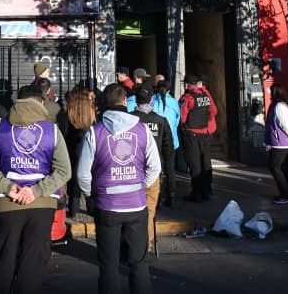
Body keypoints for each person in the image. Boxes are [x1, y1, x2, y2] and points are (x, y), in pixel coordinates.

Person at [0, 84, 71, 294]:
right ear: (41, 103)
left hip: (7, 203)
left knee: (5, 258)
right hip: (42, 204)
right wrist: (36, 191)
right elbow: (64, 171)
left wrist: (8, 187)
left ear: (17, 101)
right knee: (33, 263)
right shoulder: (52, 130)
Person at [77, 83, 160, 294]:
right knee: (139, 264)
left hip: (107, 206)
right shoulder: (142, 130)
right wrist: (140, 186)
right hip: (136, 205)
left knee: (108, 266)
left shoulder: (95, 132)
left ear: (104, 104)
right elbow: (155, 167)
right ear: (125, 101)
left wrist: (91, 195)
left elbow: (83, 174)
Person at [130, 85, 176, 244]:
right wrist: (168, 174)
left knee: (130, 209)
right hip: (154, 171)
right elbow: (168, 150)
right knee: (149, 210)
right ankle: (146, 244)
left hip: (132, 170)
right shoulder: (160, 121)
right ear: (151, 100)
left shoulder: (129, 119)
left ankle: (132, 242)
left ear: (136, 100)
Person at [178, 72, 217, 202]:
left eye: (186, 84)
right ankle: (206, 191)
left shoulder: (187, 98)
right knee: (205, 162)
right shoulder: (206, 95)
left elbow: (182, 118)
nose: (185, 86)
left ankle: (196, 194)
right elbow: (213, 111)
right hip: (204, 134)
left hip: (191, 134)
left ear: (190, 85)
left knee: (194, 164)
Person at [63, 84, 98, 215]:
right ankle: (91, 208)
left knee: (73, 180)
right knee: (89, 175)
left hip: (71, 147)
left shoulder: (69, 113)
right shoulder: (92, 113)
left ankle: (73, 209)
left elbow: (65, 131)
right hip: (88, 146)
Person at [264, 84, 288, 205]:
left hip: (281, 143)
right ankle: (287, 193)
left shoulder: (279, 106)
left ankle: (286, 194)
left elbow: (284, 124)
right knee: (284, 168)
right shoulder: (279, 105)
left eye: (271, 91)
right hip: (282, 142)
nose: (270, 94)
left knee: (275, 167)